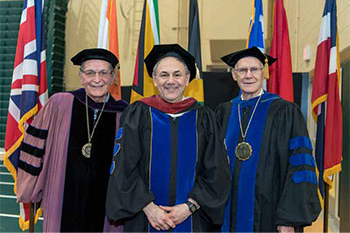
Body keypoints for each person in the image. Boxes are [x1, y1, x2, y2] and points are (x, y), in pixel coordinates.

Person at [106, 44, 231, 231]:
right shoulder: (138, 114)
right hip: (145, 218)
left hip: (192, 219)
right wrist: (149, 208)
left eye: (177, 74)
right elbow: (124, 167)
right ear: (154, 80)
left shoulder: (204, 118)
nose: (170, 81)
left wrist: (189, 207)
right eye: (164, 75)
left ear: (188, 79)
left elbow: (217, 170)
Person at [16, 48, 128, 232]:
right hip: (61, 196)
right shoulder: (60, 104)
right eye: (90, 73)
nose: (97, 79)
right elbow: (35, 147)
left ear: (113, 76)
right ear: (81, 76)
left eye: (104, 73)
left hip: (108, 205)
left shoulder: (124, 112)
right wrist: (31, 187)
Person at [217, 46, 321, 232]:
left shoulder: (285, 112)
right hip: (227, 212)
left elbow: (299, 165)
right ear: (234, 75)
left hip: (270, 213)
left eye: (254, 69)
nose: (249, 75)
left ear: (264, 73)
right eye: (242, 70)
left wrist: (289, 218)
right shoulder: (224, 112)